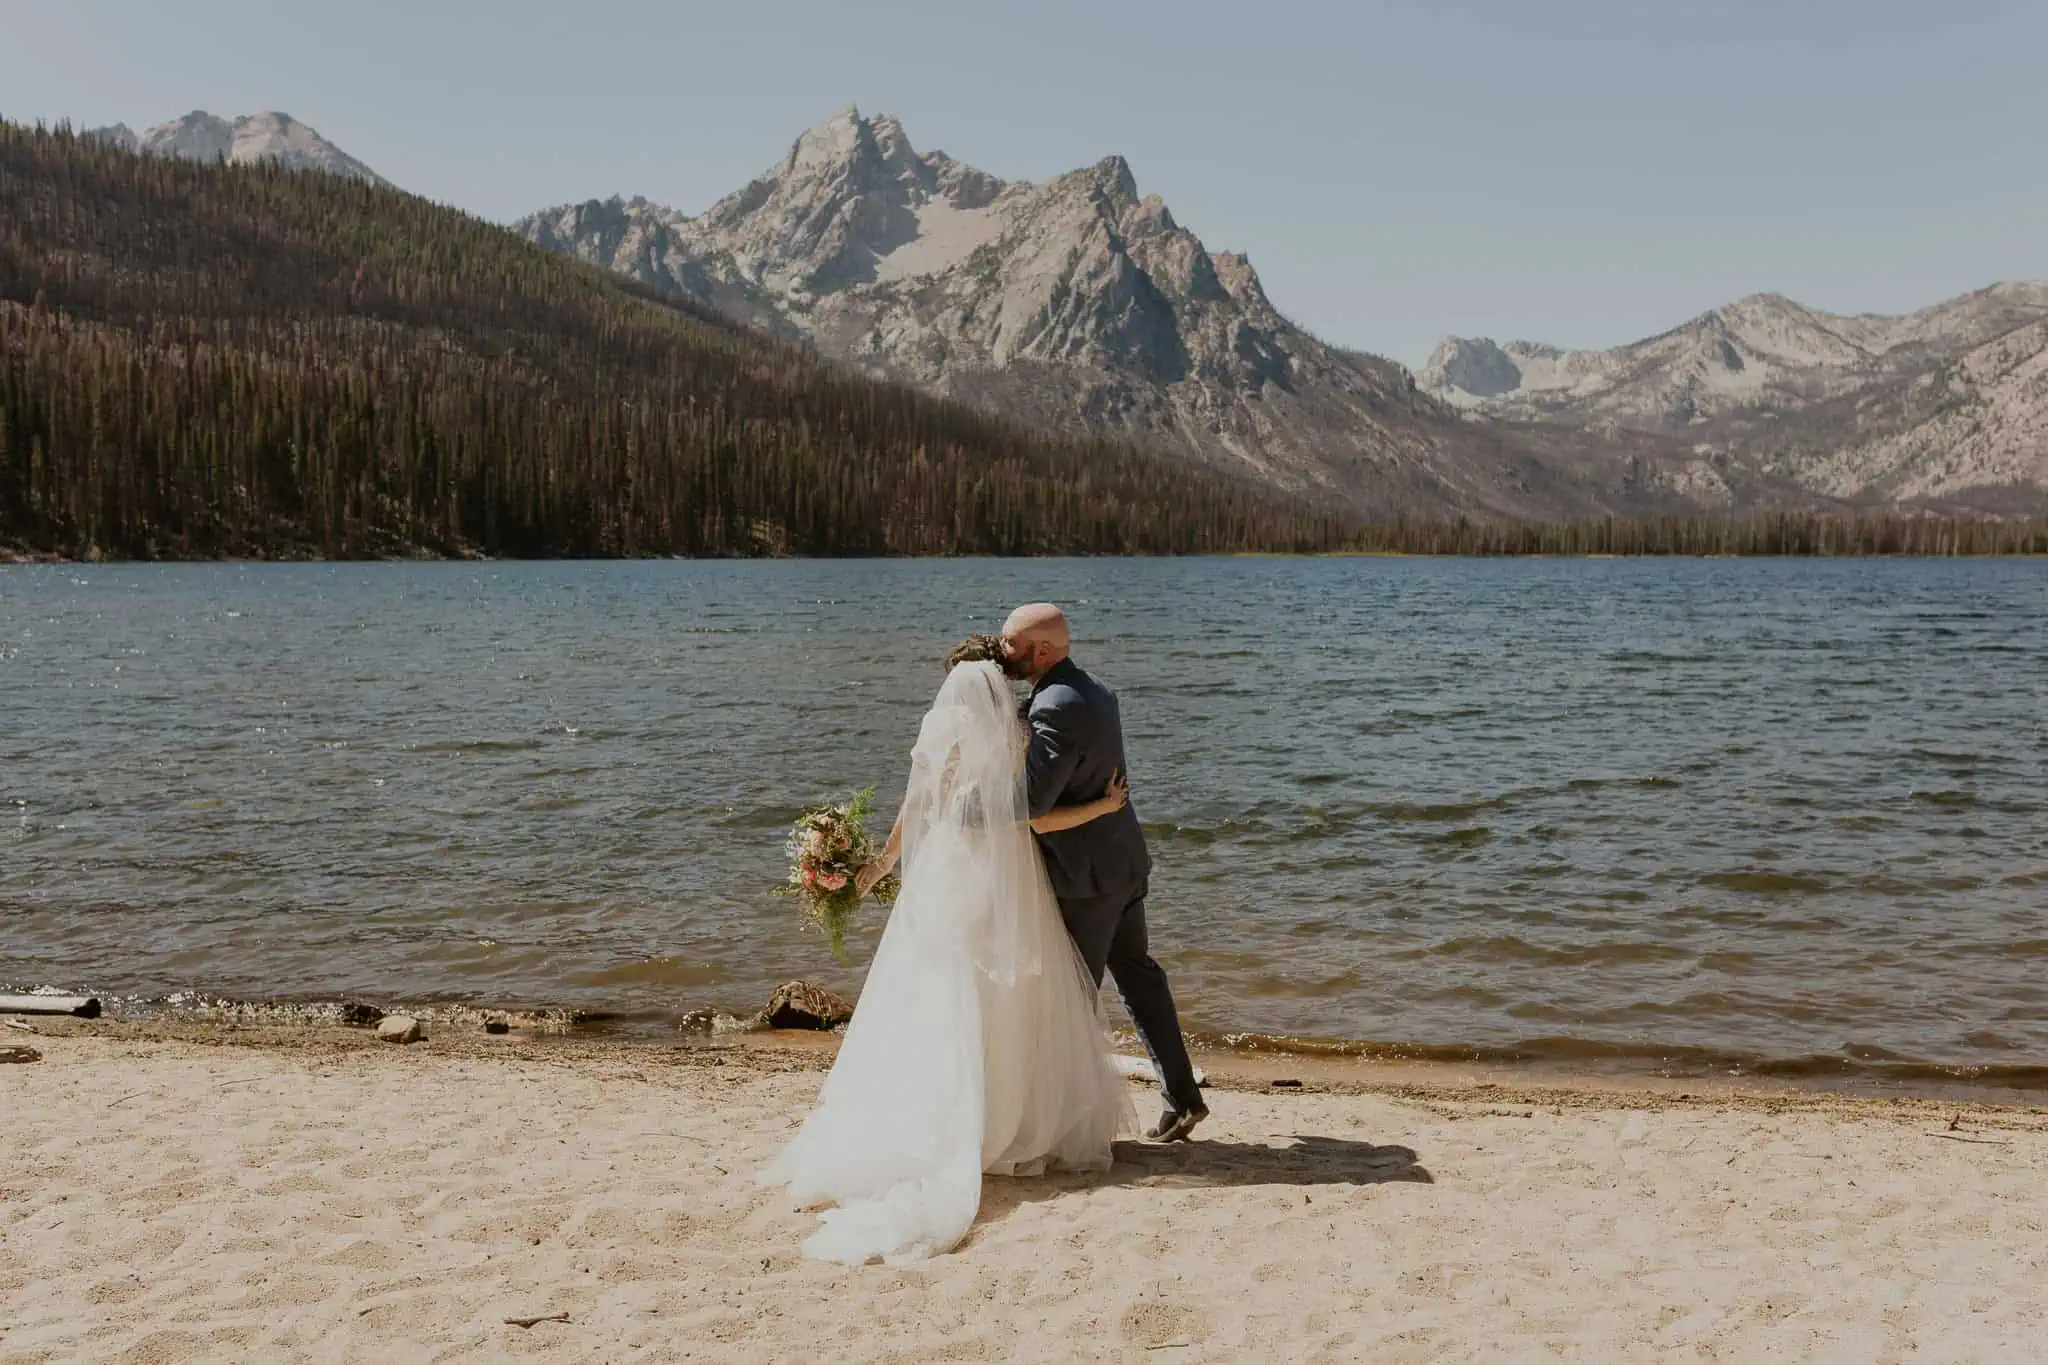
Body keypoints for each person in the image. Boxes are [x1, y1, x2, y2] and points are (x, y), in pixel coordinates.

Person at [758, 637, 1134, 1264]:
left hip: (953, 867)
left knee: (939, 991)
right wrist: (1104, 805)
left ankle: (958, 1121)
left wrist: (879, 865)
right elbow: (1033, 819)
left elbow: (917, 802)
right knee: (1012, 993)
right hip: (1014, 876)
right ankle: (1013, 1123)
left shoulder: (951, 727)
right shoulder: (1019, 725)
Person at [999, 603, 1208, 1144]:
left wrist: (963, 801)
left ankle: (1066, 1125)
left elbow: (1032, 804)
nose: (1004, 653)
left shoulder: (1054, 707)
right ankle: (1182, 1097)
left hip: (1084, 879)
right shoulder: (1098, 691)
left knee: (1070, 999)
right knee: (1140, 977)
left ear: (1041, 651)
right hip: (1122, 864)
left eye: (1011, 645)